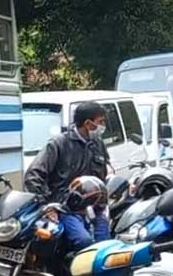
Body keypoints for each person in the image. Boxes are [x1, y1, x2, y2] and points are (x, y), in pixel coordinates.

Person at [25, 101, 112, 247]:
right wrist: (46, 207)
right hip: (66, 209)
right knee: (84, 242)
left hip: (95, 208)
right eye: (101, 122)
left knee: (105, 246)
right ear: (88, 123)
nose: (103, 126)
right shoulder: (59, 144)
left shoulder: (97, 143)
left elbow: (104, 174)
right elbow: (33, 175)